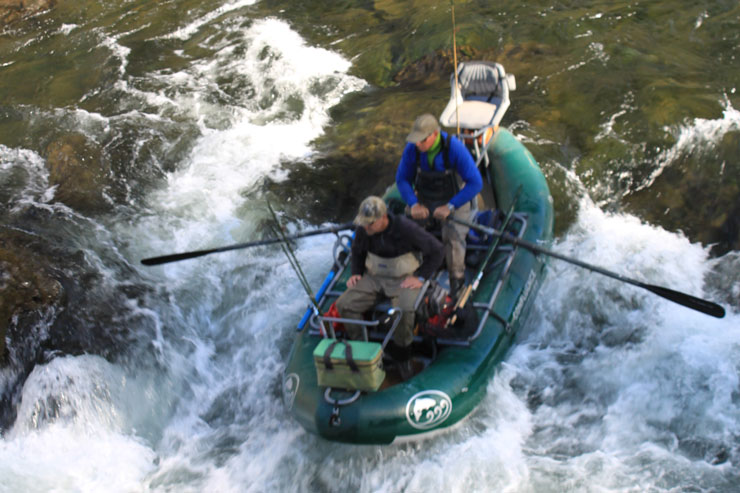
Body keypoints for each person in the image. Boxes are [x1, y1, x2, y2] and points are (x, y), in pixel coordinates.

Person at [336, 195, 444, 377]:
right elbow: (357, 250)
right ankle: (364, 351)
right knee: (344, 304)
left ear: (383, 218)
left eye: (370, 223)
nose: (365, 227)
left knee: (404, 311)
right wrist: (356, 273)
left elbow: (438, 250)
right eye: (364, 224)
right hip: (375, 277)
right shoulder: (365, 229)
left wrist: (421, 278)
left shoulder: (405, 228)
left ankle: (403, 358)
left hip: (403, 278)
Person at [395, 113, 483, 298]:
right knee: (405, 228)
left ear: (434, 134)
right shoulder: (412, 149)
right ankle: (414, 271)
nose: (418, 145)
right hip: (425, 199)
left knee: (453, 235)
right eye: (416, 140)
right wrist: (413, 204)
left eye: (422, 140)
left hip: (454, 199)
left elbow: (475, 182)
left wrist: (450, 206)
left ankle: (456, 282)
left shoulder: (454, 149)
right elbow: (402, 179)